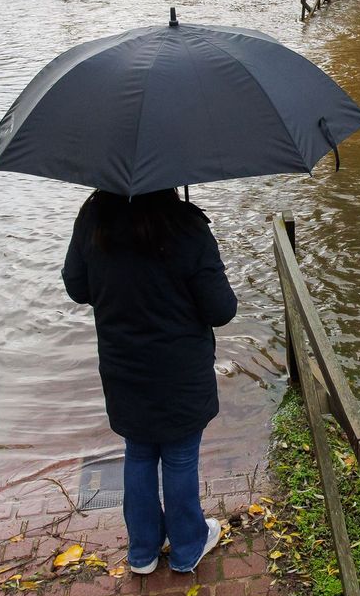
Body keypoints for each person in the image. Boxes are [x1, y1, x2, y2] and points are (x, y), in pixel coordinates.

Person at [62, 188, 238, 575]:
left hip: (123, 365)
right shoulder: (185, 226)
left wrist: (120, 293)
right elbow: (221, 309)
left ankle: (142, 551)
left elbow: (77, 286)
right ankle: (188, 545)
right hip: (180, 370)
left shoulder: (95, 218)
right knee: (178, 456)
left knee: (138, 451)